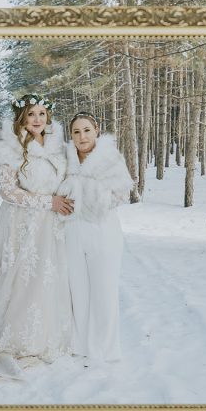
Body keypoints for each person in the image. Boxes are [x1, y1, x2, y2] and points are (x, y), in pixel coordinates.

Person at [0, 93, 74, 379]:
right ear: (21, 117)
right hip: (21, 222)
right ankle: (16, 336)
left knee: (45, 277)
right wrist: (48, 202)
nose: (38, 119)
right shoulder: (8, 146)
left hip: (51, 223)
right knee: (22, 277)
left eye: (42, 114)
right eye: (32, 114)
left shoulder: (55, 145)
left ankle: (43, 334)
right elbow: (8, 192)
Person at [56, 111, 133, 363]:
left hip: (102, 229)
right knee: (77, 289)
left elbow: (122, 193)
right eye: (76, 132)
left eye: (87, 130)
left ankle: (106, 347)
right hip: (71, 230)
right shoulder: (65, 158)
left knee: (104, 289)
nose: (82, 136)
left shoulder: (109, 158)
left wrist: (93, 199)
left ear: (97, 130)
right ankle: (79, 343)